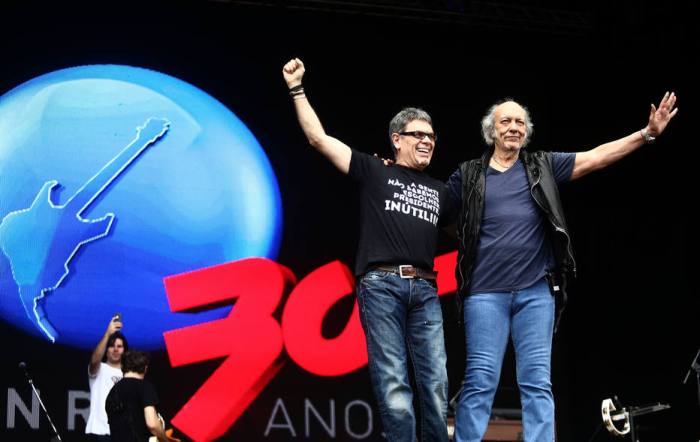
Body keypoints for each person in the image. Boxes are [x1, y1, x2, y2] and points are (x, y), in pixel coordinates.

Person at [448, 93, 678, 442]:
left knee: (537, 382)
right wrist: (394, 173)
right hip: (484, 294)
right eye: (506, 121)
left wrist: (646, 134)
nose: (514, 127)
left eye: (520, 122)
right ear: (491, 131)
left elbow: (596, 156)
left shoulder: (542, 165)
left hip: (535, 293)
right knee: (480, 380)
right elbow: (435, 207)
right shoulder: (468, 174)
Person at [282, 57, 451, 442]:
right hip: (381, 285)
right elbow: (319, 139)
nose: (427, 141)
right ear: (396, 139)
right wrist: (296, 88)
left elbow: (472, 231)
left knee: (436, 384)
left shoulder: (441, 191)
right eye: (418, 134)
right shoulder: (375, 170)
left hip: (426, 289)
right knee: (394, 385)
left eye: (431, 136)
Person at [106, 350, 169, 442]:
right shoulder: (144, 387)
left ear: (123, 367)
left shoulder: (112, 392)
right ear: (145, 368)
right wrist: (165, 440)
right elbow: (152, 424)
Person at [86, 315, 128, 441]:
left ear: (125, 350)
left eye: (119, 346)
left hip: (122, 435)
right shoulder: (100, 369)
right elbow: (94, 360)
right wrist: (108, 334)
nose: (115, 349)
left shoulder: (129, 375)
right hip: (99, 432)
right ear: (106, 349)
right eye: (112, 346)